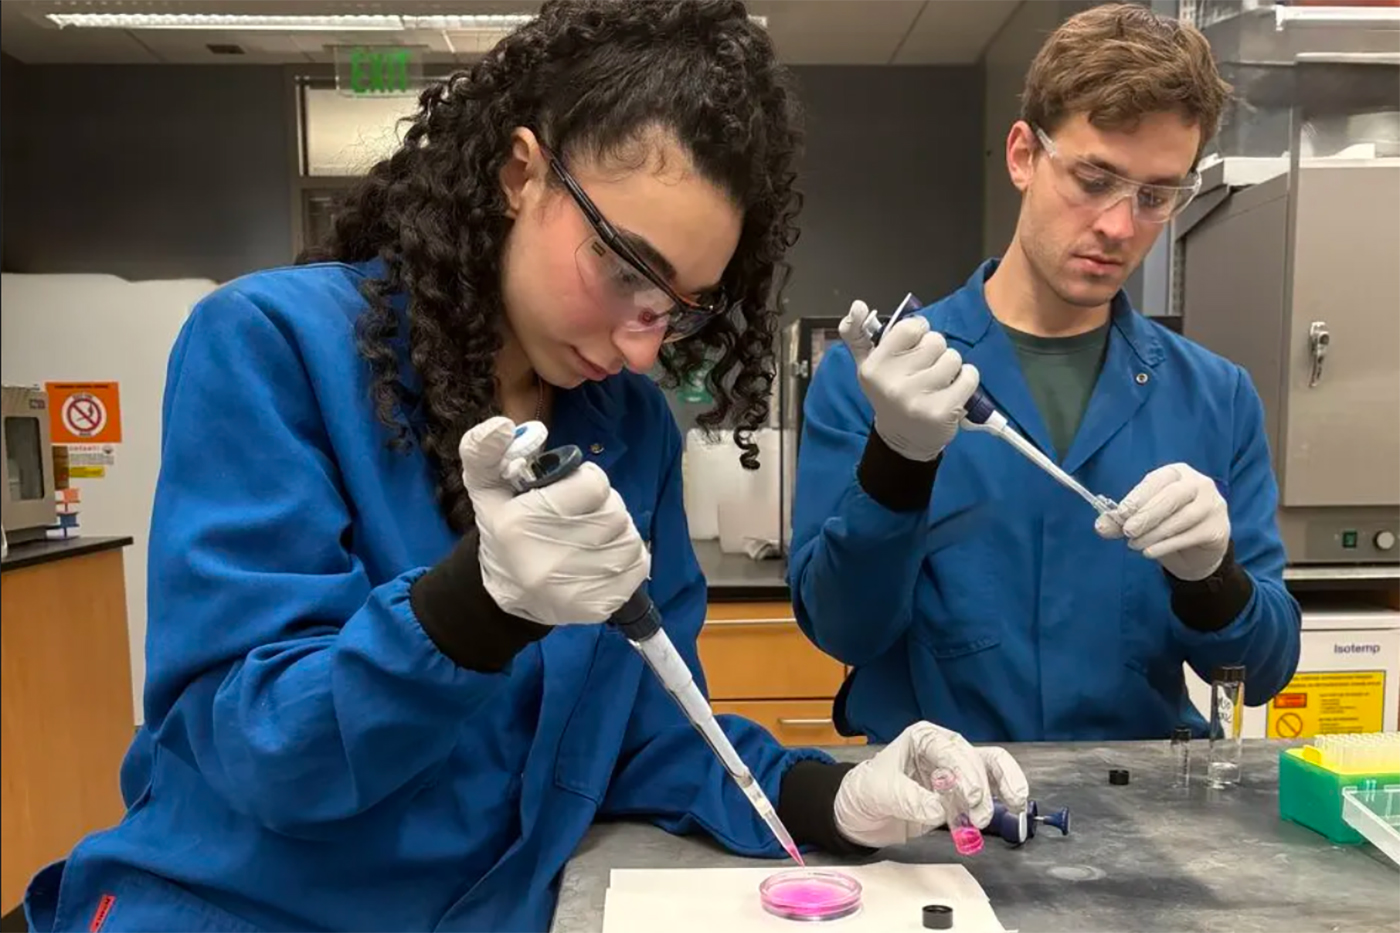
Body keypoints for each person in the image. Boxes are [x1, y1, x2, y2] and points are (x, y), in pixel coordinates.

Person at [23, 4, 1030, 932]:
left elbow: (647, 726)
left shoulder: (626, 426)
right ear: (519, 175)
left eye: (678, 305)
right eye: (624, 269)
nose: (643, 347)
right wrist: (474, 607)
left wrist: (836, 796)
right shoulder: (270, 348)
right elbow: (260, 750)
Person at [789, 3, 1302, 745]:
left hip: (1142, 814)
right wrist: (897, 461)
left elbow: (1263, 670)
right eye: (1094, 180)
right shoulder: (877, 380)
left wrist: (1213, 577)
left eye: (1156, 197)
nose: (1121, 227)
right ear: (1024, 154)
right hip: (937, 814)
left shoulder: (1215, 398)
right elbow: (843, 629)